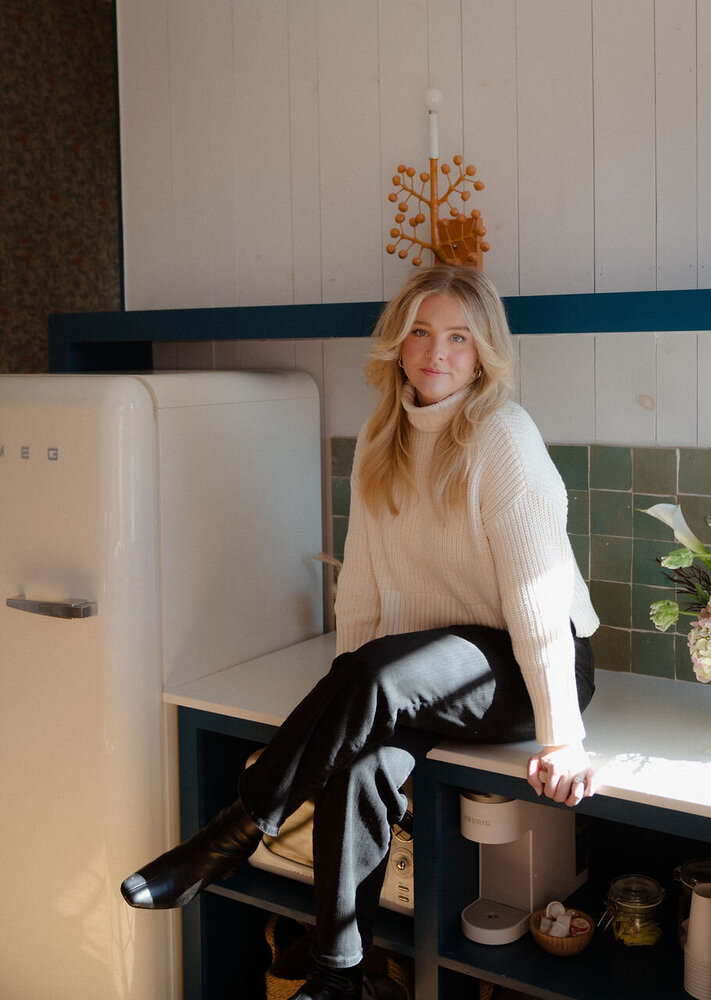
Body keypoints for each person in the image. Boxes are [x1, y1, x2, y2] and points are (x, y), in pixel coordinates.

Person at [120, 265, 599, 1000]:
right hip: (416, 674)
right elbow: (364, 589)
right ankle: (339, 974)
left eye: (459, 338)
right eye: (421, 332)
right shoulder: (382, 438)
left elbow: (538, 599)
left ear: (483, 353)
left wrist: (561, 737)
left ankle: (231, 834)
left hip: (529, 666)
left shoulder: (503, 436)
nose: (436, 353)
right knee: (359, 762)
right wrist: (348, 709)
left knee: (377, 678)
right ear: (397, 343)